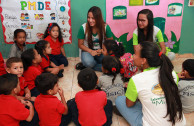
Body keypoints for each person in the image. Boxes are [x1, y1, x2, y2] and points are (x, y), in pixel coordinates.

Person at [115, 41, 186, 126]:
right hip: (180, 123)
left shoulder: (136, 79)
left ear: (143, 61)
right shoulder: (172, 73)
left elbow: (129, 104)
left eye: (135, 54)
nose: (132, 56)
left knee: (119, 100)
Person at [77, 6, 113, 71]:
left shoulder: (106, 27)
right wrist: (91, 51)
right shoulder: (83, 28)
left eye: (93, 18)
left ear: (98, 18)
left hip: (101, 51)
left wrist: (102, 50)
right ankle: (100, 67)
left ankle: (87, 66)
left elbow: (110, 44)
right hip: (87, 51)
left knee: (110, 61)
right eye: (88, 17)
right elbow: (80, 45)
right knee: (89, 62)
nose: (90, 20)